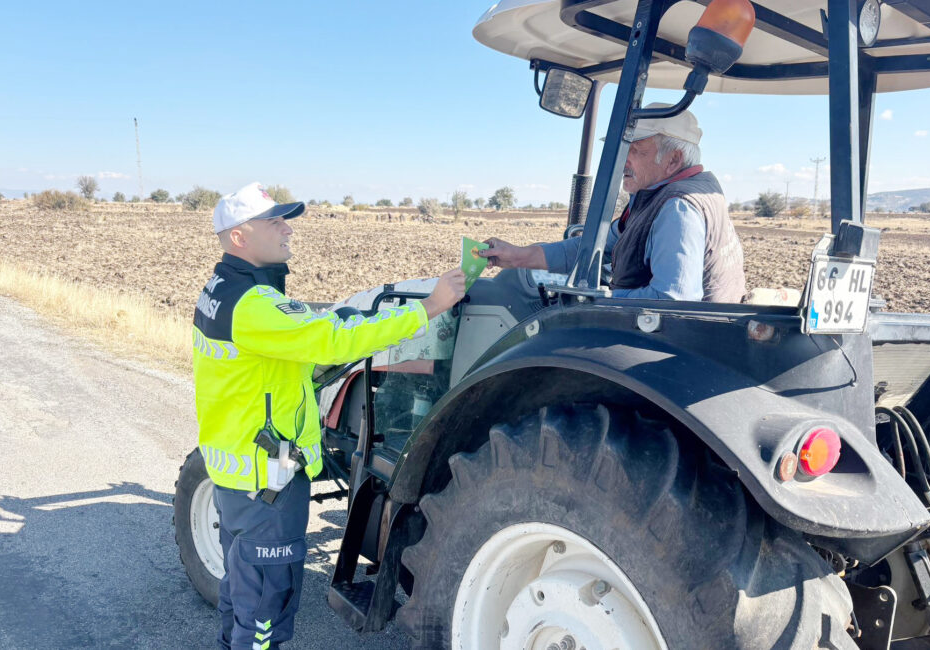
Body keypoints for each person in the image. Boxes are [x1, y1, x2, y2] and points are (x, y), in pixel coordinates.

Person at [192, 182, 466, 649]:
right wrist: (430, 307)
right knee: (265, 614)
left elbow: (263, 368)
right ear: (239, 236)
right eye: (274, 221)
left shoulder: (221, 289)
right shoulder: (255, 306)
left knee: (241, 595)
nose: (287, 229)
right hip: (267, 483)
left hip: (233, 469)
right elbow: (335, 338)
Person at [482, 103, 745, 303]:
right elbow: (594, 247)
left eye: (635, 150)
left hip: (673, 343)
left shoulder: (677, 208)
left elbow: (673, 300)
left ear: (673, 160)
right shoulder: (657, 196)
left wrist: (596, 300)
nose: (623, 163)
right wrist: (518, 256)